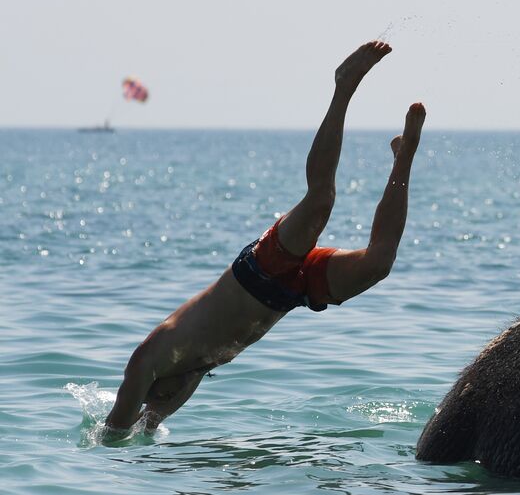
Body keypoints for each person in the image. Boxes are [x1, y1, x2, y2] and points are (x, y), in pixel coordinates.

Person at [105, 41, 426, 436]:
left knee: (321, 199)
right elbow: (138, 433)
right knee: (379, 263)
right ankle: (404, 157)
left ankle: (344, 85)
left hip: (258, 272)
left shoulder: (145, 362)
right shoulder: (170, 388)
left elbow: (113, 436)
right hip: (288, 296)